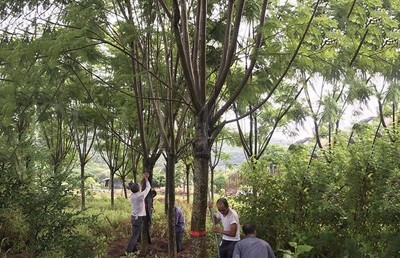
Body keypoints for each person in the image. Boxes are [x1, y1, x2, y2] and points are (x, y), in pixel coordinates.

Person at [125, 172, 151, 254]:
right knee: (135, 235)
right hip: (138, 218)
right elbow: (148, 188)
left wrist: (142, 179)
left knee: (135, 233)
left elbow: (134, 187)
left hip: (133, 217)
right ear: (139, 189)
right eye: (139, 187)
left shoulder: (132, 195)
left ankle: (134, 249)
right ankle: (128, 251)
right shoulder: (141, 196)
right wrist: (146, 179)